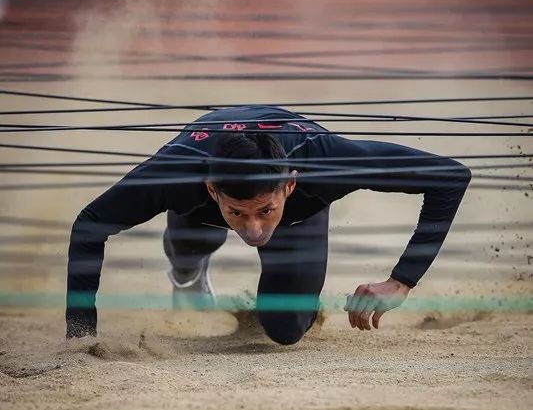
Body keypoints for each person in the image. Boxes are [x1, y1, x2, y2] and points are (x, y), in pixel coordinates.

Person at [66, 105, 471, 345]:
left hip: (299, 214)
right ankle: (189, 268)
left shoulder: (328, 160)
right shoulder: (174, 175)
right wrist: (80, 336)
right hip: (196, 201)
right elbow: (90, 224)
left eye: (265, 210)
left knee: (284, 330)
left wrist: (401, 281)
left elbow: (450, 176)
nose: (254, 231)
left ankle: (264, 224)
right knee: (190, 235)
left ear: (289, 184)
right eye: (238, 213)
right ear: (212, 188)